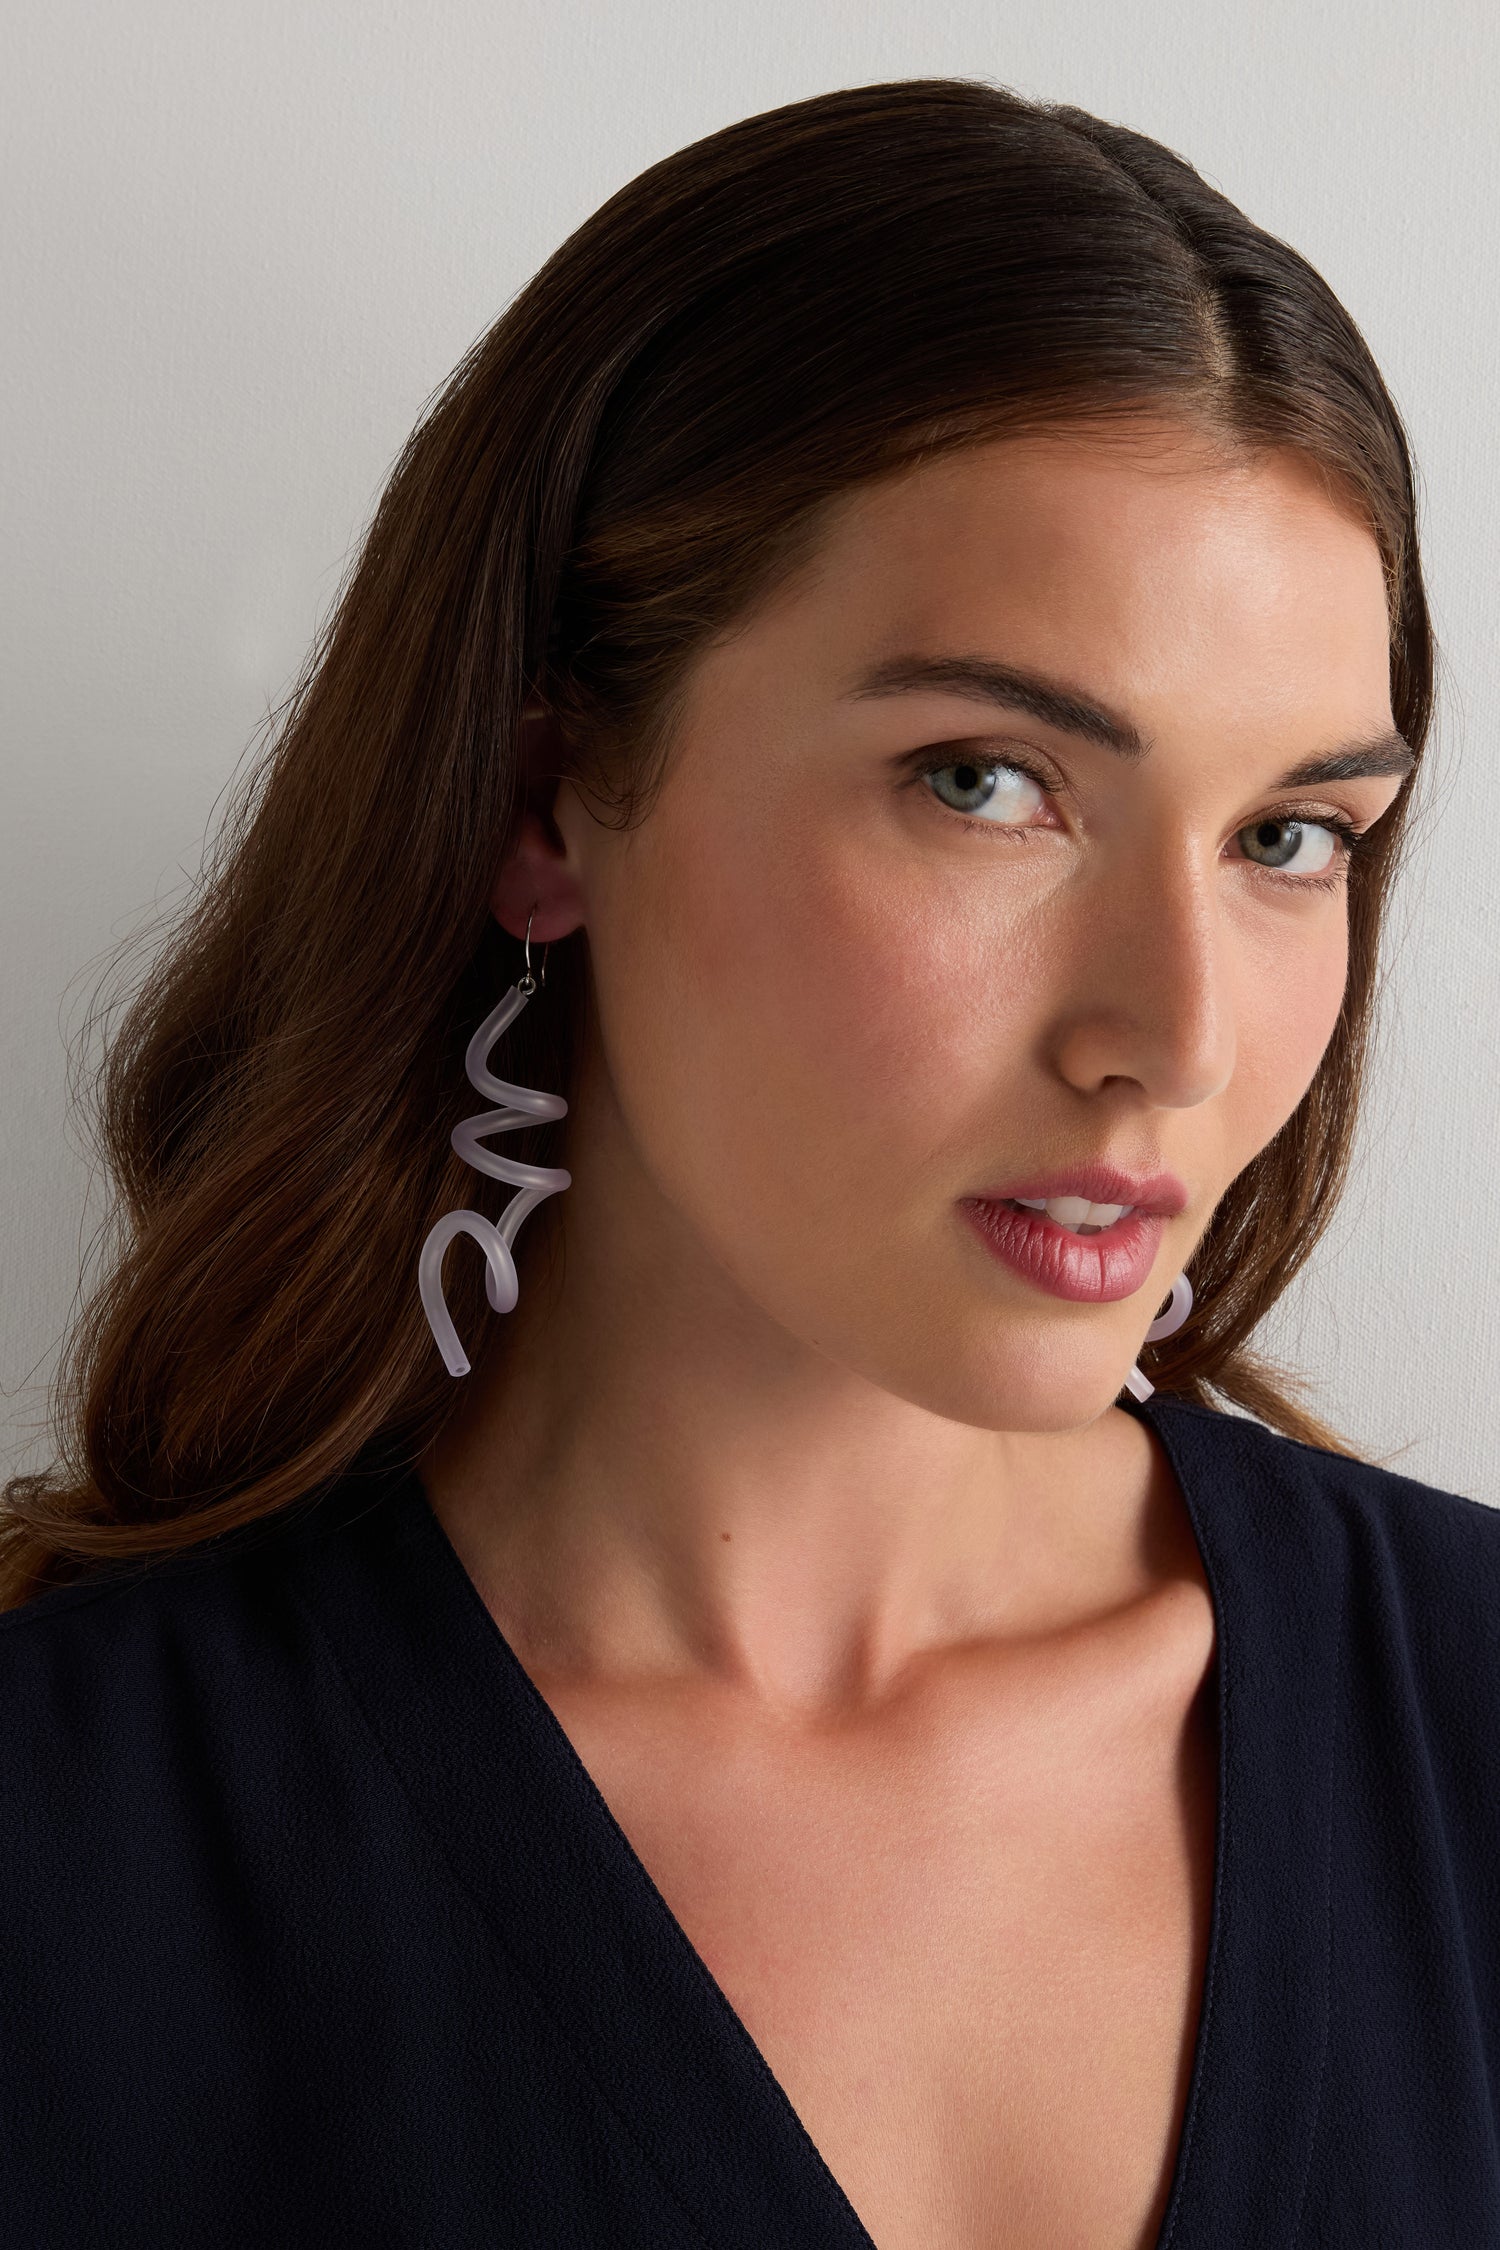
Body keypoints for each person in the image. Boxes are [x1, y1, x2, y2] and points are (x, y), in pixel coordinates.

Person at [2, 76, 1496, 2250]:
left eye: (1289, 835)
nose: (1177, 1035)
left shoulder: (1470, 1715)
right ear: (546, 800)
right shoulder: (70, 1848)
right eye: (987, 781)